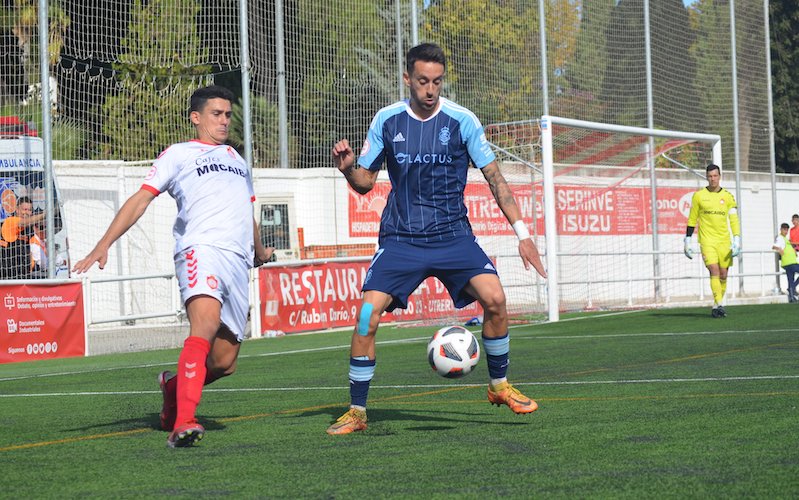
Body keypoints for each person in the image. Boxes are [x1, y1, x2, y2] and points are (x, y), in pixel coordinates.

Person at [326, 43, 547, 435]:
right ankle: (357, 412)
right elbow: (365, 183)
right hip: (401, 239)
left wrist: (523, 234)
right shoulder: (387, 120)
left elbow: (495, 179)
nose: (431, 89)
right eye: (423, 81)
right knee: (365, 317)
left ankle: (499, 387)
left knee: (495, 300)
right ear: (407, 79)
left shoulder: (462, 121)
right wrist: (347, 170)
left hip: (452, 236)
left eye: (437, 82)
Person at [72, 85, 273, 448]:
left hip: (238, 260)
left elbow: (248, 209)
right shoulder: (179, 154)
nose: (225, 120)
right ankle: (185, 421)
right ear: (196, 117)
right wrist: (103, 244)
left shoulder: (237, 159)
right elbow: (140, 200)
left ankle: (173, 386)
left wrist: (258, 250)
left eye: (228, 114)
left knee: (226, 362)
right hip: (200, 249)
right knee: (206, 325)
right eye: (217, 114)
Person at [683, 163, 741, 318]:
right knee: (714, 270)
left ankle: (716, 305)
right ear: (706, 177)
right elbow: (692, 218)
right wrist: (687, 240)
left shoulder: (728, 196)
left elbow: (734, 219)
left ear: (720, 177)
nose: (713, 179)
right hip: (707, 241)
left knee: (723, 274)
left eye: (715, 176)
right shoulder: (699, 196)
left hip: (724, 241)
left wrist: (737, 239)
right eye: (710, 176)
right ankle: (720, 304)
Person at [0, 196, 45, 279]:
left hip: (23, 272)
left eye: (29, 210)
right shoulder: (11, 221)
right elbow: (24, 222)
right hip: (6, 273)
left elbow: (32, 249)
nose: (27, 212)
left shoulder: (29, 228)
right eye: (24, 209)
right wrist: (44, 215)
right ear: (17, 210)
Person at [772, 222, 798, 303]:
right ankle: (792, 288)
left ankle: (791, 297)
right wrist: (779, 249)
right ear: (781, 229)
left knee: (790, 279)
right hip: (789, 262)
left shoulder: (785, 238)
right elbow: (774, 246)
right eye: (784, 229)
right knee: (791, 280)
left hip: (790, 262)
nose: (786, 231)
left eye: (787, 230)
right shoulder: (780, 238)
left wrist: (793, 251)